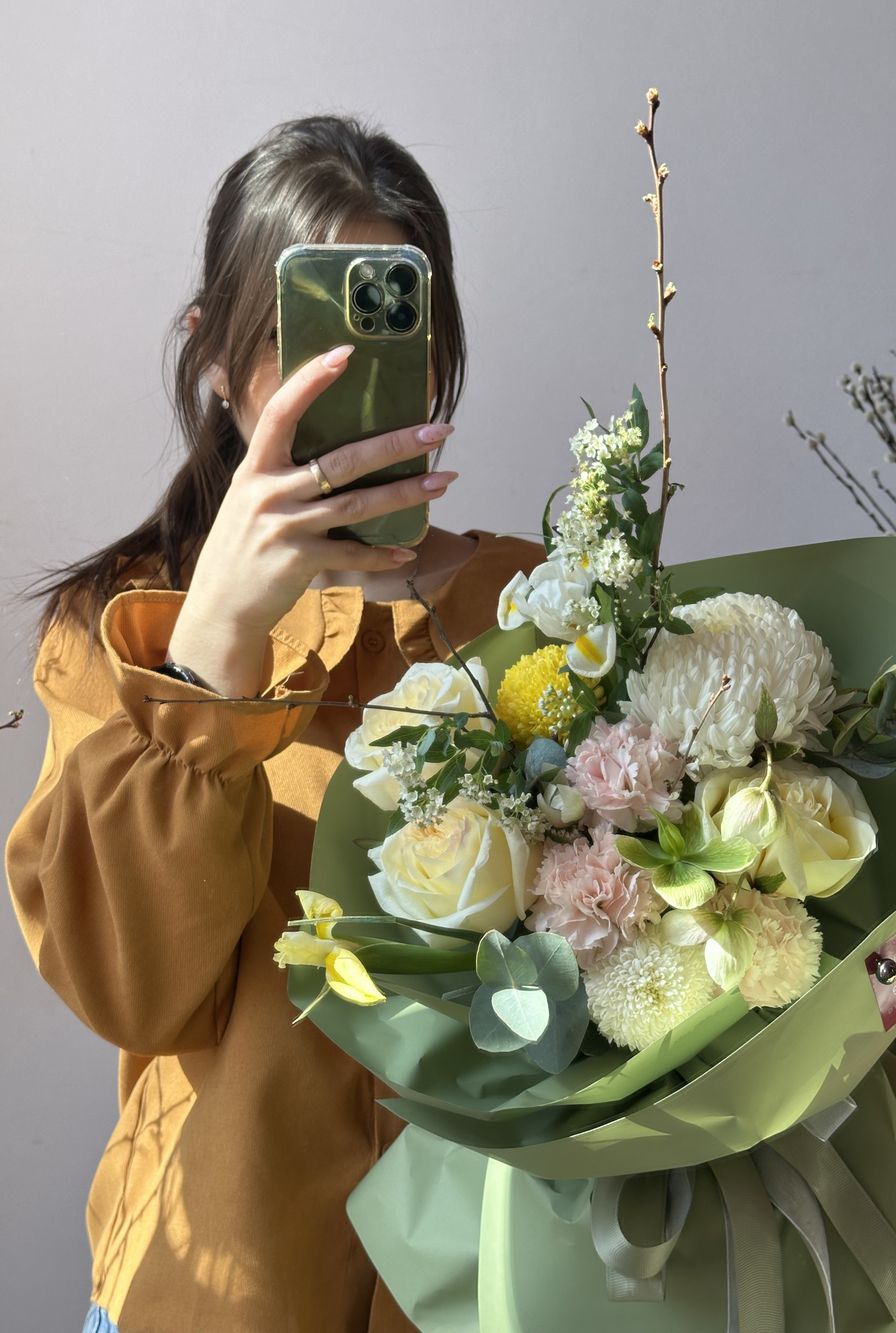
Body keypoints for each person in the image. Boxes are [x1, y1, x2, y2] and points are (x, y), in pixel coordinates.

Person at [5, 113, 541, 1333]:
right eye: (302, 331)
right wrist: (211, 650)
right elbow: (130, 990)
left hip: (492, 1298)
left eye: (388, 321)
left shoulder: (539, 609)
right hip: (213, 1292)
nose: (341, 373)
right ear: (213, 352)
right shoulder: (123, 633)